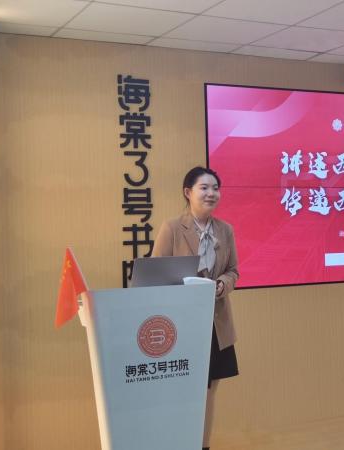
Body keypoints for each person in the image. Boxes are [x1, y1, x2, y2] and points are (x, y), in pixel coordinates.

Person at [152, 166, 239, 450]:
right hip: (180, 324)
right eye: (204, 187)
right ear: (188, 192)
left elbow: (233, 271)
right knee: (183, 388)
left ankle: (203, 444)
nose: (211, 193)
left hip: (215, 323)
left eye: (216, 188)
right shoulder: (172, 228)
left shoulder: (225, 230)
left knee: (209, 389)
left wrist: (221, 285)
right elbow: (155, 274)